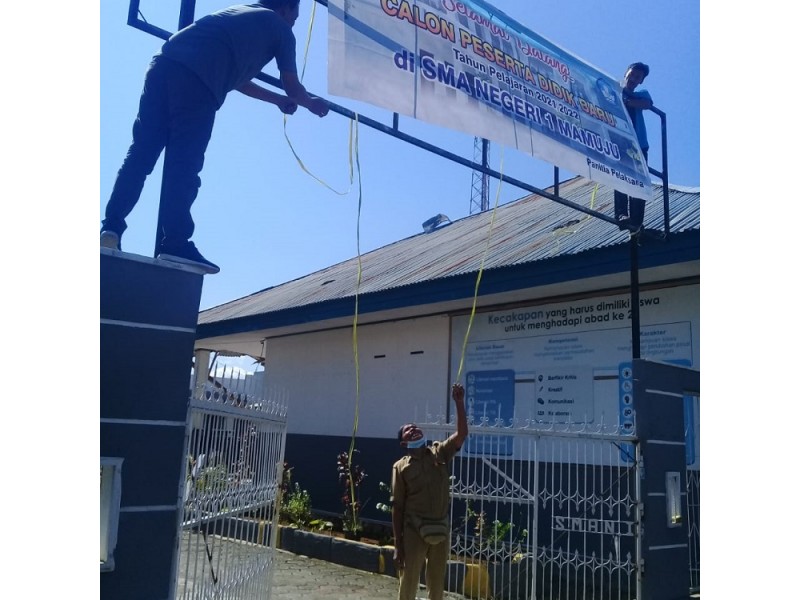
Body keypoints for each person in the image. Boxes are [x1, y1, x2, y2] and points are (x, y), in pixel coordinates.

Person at [100, 0, 330, 274]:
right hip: (198, 82)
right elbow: (292, 85)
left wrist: (277, 101)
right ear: (285, 10)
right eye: (295, 16)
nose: (294, 23)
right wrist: (311, 103)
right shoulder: (280, 28)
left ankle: (111, 229)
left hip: (163, 64)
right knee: (184, 165)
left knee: (141, 154)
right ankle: (175, 243)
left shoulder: (238, 13)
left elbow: (239, 80)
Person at [391, 382, 468, 600]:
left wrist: (459, 403)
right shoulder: (401, 467)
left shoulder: (440, 452)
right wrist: (398, 545)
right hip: (414, 531)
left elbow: (462, 434)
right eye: (407, 429)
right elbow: (397, 508)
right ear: (404, 443)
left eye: (415, 426)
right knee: (410, 581)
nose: (413, 428)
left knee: (437, 583)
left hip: (440, 528)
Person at [614, 62, 653, 233]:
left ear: (641, 81)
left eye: (638, 77)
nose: (634, 78)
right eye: (632, 74)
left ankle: (637, 221)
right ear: (626, 73)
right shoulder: (614, 89)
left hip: (638, 144)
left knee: (639, 180)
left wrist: (627, 101)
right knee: (620, 176)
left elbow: (646, 103)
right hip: (620, 140)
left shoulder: (641, 93)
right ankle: (622, 214)